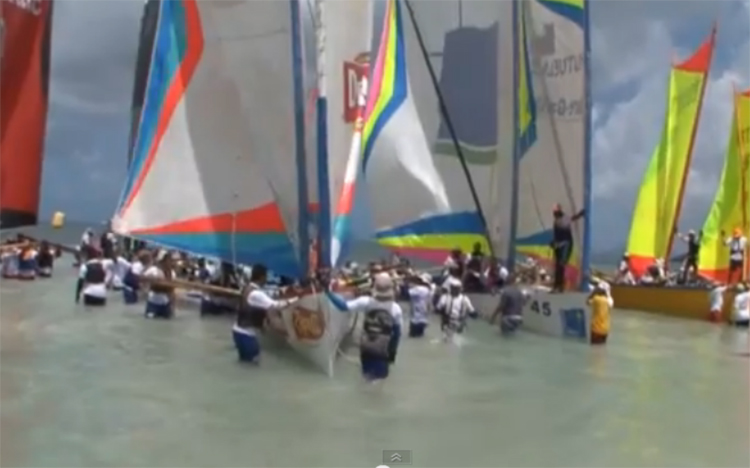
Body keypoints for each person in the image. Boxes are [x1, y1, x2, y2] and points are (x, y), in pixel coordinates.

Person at [329, 273, 403, 382]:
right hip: (382, 350)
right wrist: (392, 354)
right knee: (378, 382)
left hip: (366, 347)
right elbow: (397, 335)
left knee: (366, 377)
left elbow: (343, 306)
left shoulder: (365, 301)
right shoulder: (396, 308)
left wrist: (327, 292)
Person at [234, 264, 296, 364]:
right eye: (266, 276)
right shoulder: (256, 294)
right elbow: (275, 305)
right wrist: (294, 300)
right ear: (262, 277)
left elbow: (266, 296)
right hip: (247, 335)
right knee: (253, 365)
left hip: (237, 332)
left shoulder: (246, 288)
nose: (267, 279)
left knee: (244, 364)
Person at [550, 204, 585, 292]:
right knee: (558, 265)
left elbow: (572, 218)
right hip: (558, 244)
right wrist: (553, 242)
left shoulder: (565, 218)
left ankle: (560, 286)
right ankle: (556, 286)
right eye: (554, 211)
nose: (554, 213)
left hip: (566, 244)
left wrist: (581, 214)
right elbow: (556, 235)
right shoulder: (556, 220)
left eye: (555, 210)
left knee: (561, 264)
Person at [435, 277, 475, 343]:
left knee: (456, 341)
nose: (455, 290)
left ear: (460, 288)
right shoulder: (445, 297)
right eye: (453, 288)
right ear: (450, 288)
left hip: (459, 323)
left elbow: (472, 311)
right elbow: (438, 309)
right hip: (447, 322)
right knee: (446, 340)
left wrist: (472, 316)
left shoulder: (465, 299)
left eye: (457, 288)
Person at [143, 253, 174, 319]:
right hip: (153, 301)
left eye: (170, 260)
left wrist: (172, 305)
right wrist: (145, 290)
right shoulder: (153, 270)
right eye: (168, 260)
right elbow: (142, 278)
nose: (169, 262)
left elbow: (171, 291)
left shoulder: (172, 273)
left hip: (165, 303)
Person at [407, 273, 433, 338]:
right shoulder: (428, 290)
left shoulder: (418, 289)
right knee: (420, 335)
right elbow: (429, 304)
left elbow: (407, 293)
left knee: (412, 336)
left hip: (415, 317)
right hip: (423, 316)